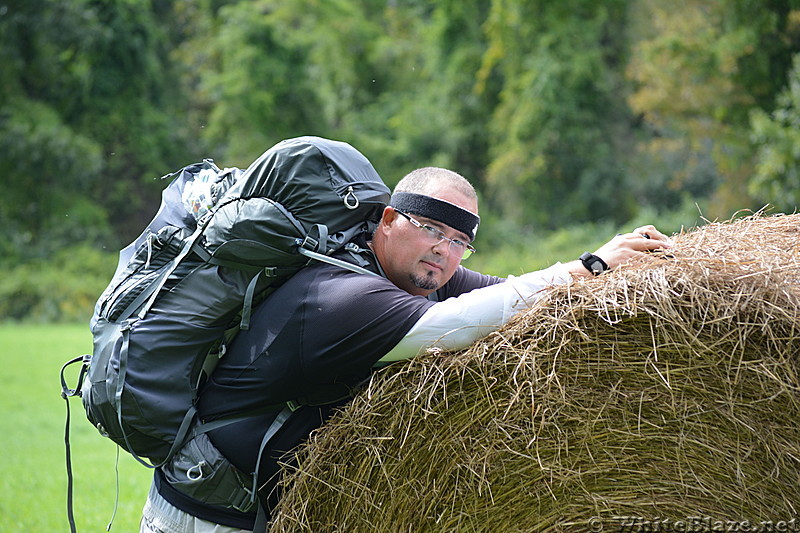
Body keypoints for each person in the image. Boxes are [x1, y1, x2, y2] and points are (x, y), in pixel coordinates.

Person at [140, 167, 672, 532]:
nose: (445, 250)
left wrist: (622, 269)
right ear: (390, 221)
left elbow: (513, 298)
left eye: (460, 240)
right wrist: (590, 267)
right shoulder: (341, 295)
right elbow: (458, 324)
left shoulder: (418, 272)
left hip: (271, 508)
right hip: (205, 513)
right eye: (431, 230)